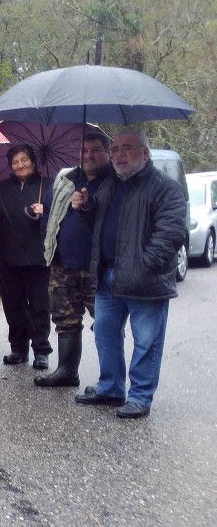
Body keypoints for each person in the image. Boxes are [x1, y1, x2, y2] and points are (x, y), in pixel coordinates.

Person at [75, 131, 187, 418]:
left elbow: (172, 234)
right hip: (108, 275)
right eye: (115, 150)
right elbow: (98, 226)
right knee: (105, 333)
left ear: (145, 153)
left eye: (127, 149)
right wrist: (85, 206)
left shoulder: (165, 188)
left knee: (146, 340)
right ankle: (111, 387)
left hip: (145, 279)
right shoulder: (108, 186)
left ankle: (139, 397)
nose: (119, 155)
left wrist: (146, 263)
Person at [35, 131, 113, 388]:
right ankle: (67, 372)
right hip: (63, 264)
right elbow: (49, 215)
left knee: (105, 323)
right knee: (64, 319)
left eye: (95, 150)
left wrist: (89, 204)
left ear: (107, 152)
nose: (89, 155)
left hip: (97, 267)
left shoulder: (115, 180)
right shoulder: (65, 179)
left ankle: (110, 381)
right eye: (84, 151)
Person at [0, 144, 54, 369]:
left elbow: (63, 216)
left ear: (33, 161)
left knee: (39, 305)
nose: (20, 165)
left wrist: (47, 211)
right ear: (10, 166)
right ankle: (18, 348)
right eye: (15, 162)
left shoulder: (49, 186)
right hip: (8, 257)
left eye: (24, 160)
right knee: (12, 305)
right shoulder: (0, 189)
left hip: (38, 258)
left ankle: (41, 350)